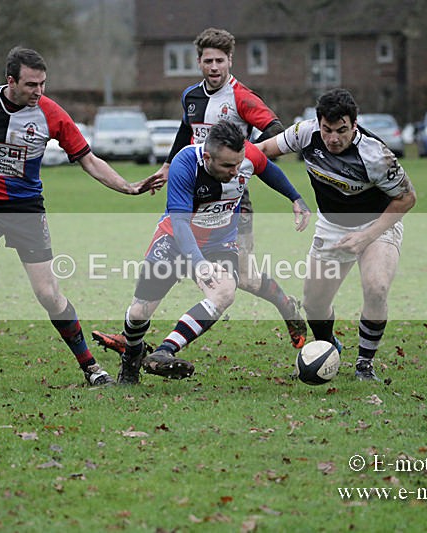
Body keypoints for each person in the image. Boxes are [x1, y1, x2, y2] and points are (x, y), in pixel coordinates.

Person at [0, 47, 162, 386]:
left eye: (43, 84)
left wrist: (128, 187)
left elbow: (88, 159)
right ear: (10, 81)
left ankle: (90, 367)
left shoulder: (50, 113)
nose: (39, 91)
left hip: (26, 211)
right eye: (32, 85)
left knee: (48, 294)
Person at [93, 28, 307, 354]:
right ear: (199, 62)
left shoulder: (242, 98)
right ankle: (140, 331)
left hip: (234, 191)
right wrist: (167, 167)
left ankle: (286, 307)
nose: (214, 67)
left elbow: (274, 129)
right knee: (209, 260)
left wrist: (248, 158)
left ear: (230, 61)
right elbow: (185, 130)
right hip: (194, 180)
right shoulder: (191, 96)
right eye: (208, 61)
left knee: (244, 277)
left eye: (220, 60)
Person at [114, 120, 310, 384]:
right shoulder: (185, 164)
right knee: (139, 312)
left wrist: (295, 197)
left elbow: (267, 168)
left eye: (239, 164)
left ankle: (164, 351)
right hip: (174, 238)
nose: (236, 171)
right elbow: (181, 223)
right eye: (228, 166)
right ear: (207, 157)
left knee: (225, 291)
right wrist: (197, 263)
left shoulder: (245, 155)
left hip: (220, 242)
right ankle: (131, 362)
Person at [256, 88, 416, 381]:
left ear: (354, 125)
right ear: (318, 124)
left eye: (342, 130)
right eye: (327, 130)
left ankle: (365, 364)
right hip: (332, 225)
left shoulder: (376, 154)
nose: (333, 138)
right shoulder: (305, 133)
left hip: (378, 223)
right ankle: (328, 349)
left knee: (376, 287)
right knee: (314, 302)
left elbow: (407, 198)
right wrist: (232, 161)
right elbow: (264, 151)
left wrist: (366, 236)